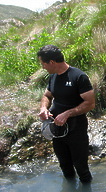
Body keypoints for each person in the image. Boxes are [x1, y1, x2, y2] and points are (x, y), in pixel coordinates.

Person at [37, 45, 95, 184]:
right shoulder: (53, 77)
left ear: (52, 62)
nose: (43, 67)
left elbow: (90, 103)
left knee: (82, 169)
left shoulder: (78, 76)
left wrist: (67, 114)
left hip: (76, 130)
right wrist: (44, 107)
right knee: (65, 166)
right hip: (57, 131)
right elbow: (47, 95)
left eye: (43, 64)